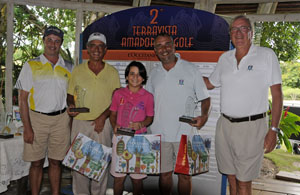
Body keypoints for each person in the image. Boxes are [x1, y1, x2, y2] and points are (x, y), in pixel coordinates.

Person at [204, 15, 283, 195]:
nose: (238, 33)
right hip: (225, 126)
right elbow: (210, 82)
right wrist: (185, 74)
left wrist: (273, 130)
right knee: (230, 177)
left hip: (251, 127)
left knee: (243, 182)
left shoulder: (266, 55)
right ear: (230, 34)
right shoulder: (225, 58)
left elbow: (277, 95)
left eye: (244, 28)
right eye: (234, 29)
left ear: (251, 33)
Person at [146, 33, 211, 195]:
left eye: (167, 44)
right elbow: (147, 102)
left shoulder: (191, 69)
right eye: (159, 46)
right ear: (155, 50)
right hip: (159, 134)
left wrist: (204, 116)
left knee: (185, 176)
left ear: (174, 46)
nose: (164, 49)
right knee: (165, 175)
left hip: (184, 133)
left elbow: (206, 98)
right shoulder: (154, 74)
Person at [15, 26, 73, 195]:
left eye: (57, 41)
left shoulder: (69, 66)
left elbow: (71, 96)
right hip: (37, 119)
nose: (53, 44)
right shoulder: (31, 65)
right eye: (49, 40)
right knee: (36, 163)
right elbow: (22, 99)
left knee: (56, 162)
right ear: (44, 41)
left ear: (61, 43)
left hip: (61, 120)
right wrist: (27, 127)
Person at [67, 32, 120, 195]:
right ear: (87, 49)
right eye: (93, 46)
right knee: (79, 166)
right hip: (80, 124)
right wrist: (71, 105)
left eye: (100, 46)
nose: (96, 49)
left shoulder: (112, 72)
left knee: (99, 167)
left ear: (105, 50)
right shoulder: (77, 70)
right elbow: (70, 94)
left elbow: (116, 100)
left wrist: (103, 117)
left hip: (102, 126)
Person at [109, 61, 154, 195]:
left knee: (137, 181)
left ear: (144, 78)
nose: (135, 77)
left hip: (139, 141)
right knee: (118, 179)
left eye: (139, 74)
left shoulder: (148, 97)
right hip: (120, 139)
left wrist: (141, 123)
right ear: (127, 76)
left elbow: (150, 118)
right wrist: (114, 126)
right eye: (132, 74)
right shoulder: (118, 94)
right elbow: (112, 114)